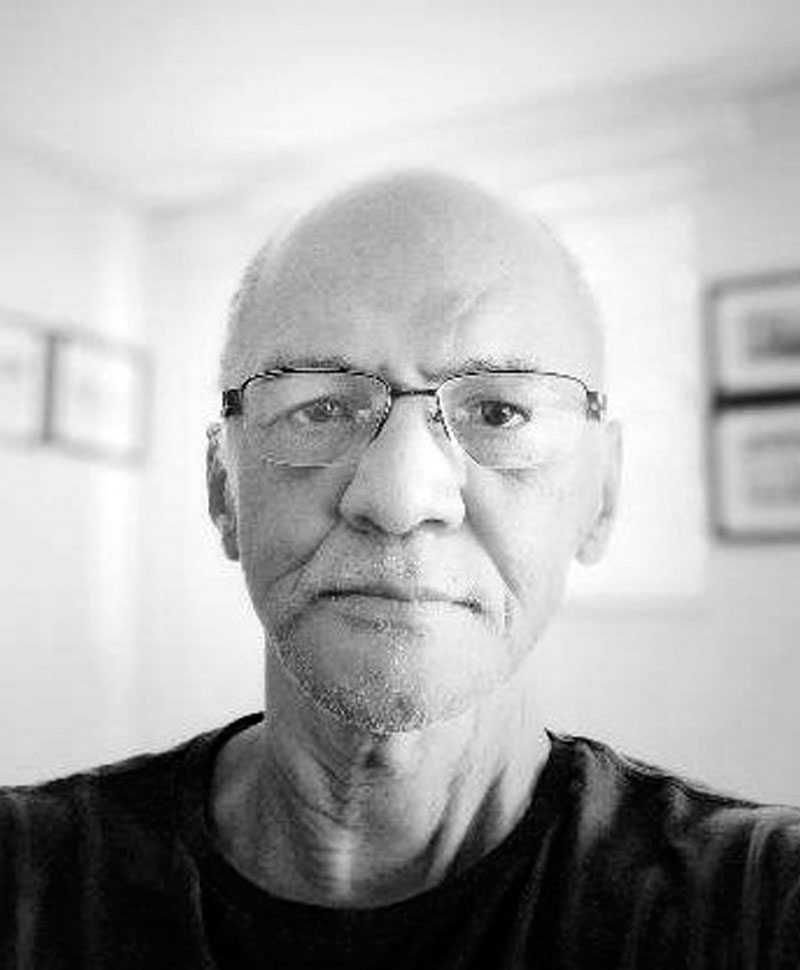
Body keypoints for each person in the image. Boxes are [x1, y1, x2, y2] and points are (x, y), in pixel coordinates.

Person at [1, 170, 799, 969]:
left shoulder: (760, 906)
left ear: (604, 494)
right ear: (222, 488)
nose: (398, 499)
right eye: (319, 407)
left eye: (499, 412)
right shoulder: (23, 880)